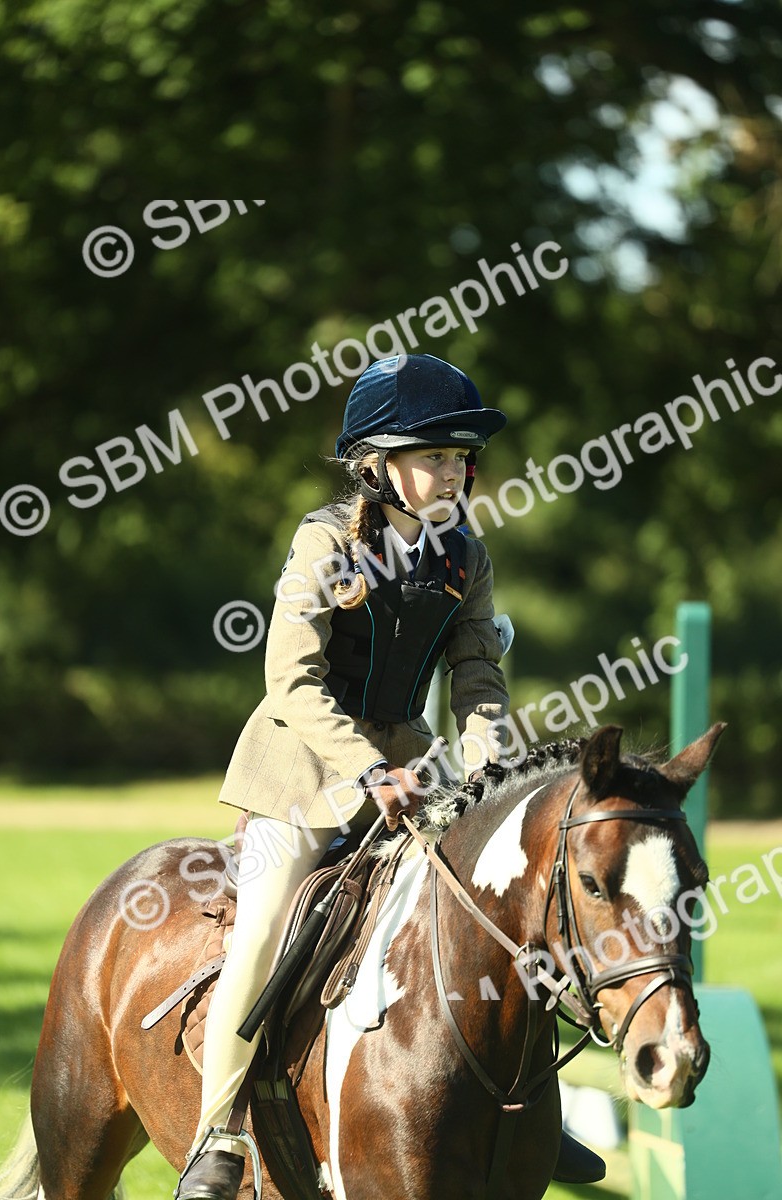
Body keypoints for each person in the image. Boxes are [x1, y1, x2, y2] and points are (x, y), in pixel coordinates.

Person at [177, 353, 603, 1199]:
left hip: (414, 770)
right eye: (432, 456)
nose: (452, 472)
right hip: (303, 768)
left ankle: (524, 1110)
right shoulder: (323, 541)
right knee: (264, 930)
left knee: (502, 907)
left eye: (458, 458)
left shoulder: (465, 556)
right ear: (377, 465)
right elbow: (290, 683)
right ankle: (218, 1135)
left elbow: (478, 679)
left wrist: (488, 769)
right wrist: (368, 769)